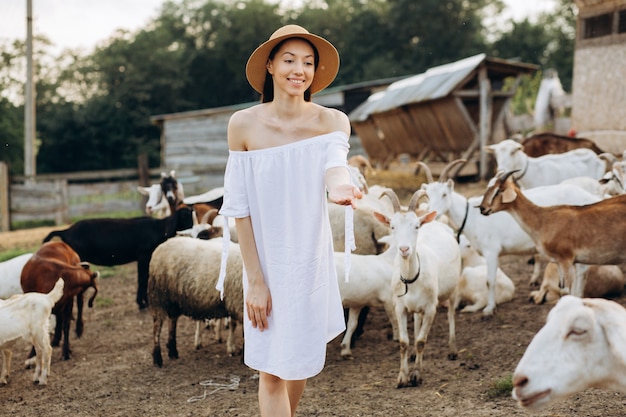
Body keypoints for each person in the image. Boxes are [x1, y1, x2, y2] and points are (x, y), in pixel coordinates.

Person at [217, 24, 362, 417]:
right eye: (289, 60)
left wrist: (341, 187)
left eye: (308, 62)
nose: (299, 69)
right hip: (264, 264)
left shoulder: (332, 121)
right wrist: (256, 281)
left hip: (310, 265)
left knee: (297, 360)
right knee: (271, 371)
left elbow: (335, 166)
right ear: (270, 65)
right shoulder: (243, 125)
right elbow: (239, 208)